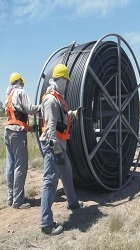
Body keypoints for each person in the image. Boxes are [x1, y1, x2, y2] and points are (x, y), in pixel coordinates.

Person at [39, 64, 82, 236]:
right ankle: (46, 223)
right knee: (50, 182)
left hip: (59, 146)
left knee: (67, 172)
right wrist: (56, 150)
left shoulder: (58, 98)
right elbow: (50, 129)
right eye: (66, 81)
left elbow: (61, 117)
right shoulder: (50, 100)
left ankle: (72, 202)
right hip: (53, 146)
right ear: (62, 80)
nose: (67, 84)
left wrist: (73, 114)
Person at [5, 72, 40, 209]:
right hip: (17, 133)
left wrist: (30, 128)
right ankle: (18, 201)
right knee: (20, 165)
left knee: (11, 165)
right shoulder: (20, 92)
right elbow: (29, 109)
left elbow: (16, 117)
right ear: (20, 81)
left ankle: (11, 197)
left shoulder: (9, 94)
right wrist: (42, 107)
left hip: (8, 132)